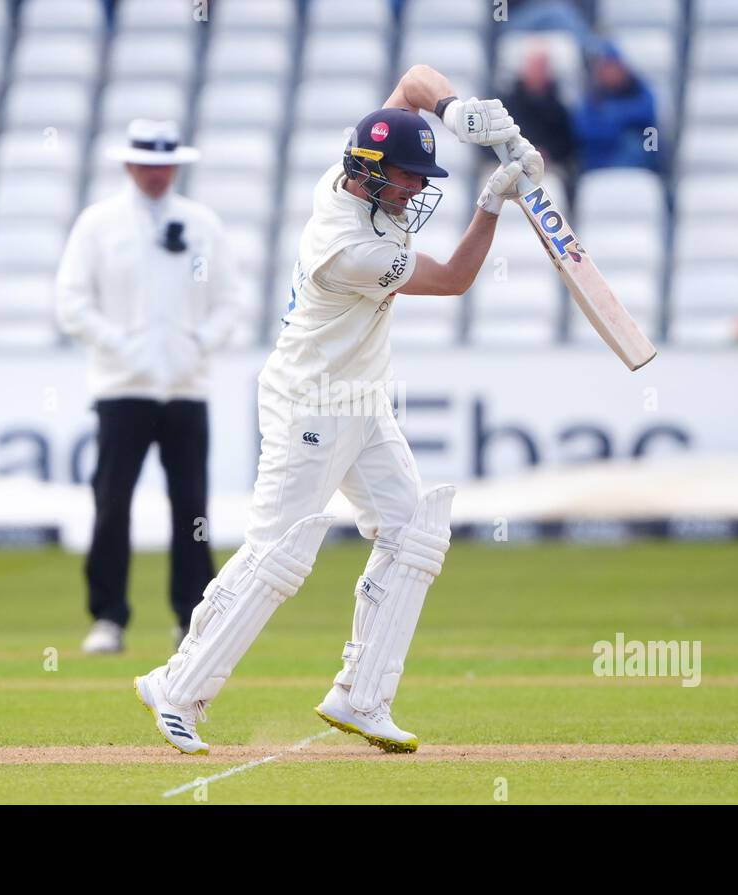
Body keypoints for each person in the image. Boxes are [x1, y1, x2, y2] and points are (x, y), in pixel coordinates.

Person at [132, 65, 543, 755]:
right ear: (373, 177)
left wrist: (459, 112)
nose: (417, 191)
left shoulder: (349, 171)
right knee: (279, 557)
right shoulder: (351, 248)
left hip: (362, 396)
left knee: (414, 531)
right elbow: (454, 280)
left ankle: (361, 696)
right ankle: (176, 688)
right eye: (410, 180)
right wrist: (494, 201)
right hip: (310, 403)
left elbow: (413, 83)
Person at [56, 119, 243, 655]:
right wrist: (121, 345)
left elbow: (231, 301)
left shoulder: (201, 223)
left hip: (187, 388)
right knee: (112, 502)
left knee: (192, 505)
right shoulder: (99, 224)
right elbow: (71, 302)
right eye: (149, 164)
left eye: (167, 164)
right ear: (129, 164)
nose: (159, 174)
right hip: (122, 388)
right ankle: (108, 617)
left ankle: (193, 617)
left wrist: (196, 344)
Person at [571, 44, 659, 174]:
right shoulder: (593, 95)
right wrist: (615, 127)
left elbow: (648, 111)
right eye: (606, 67)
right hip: (600, 159)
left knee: (643, 139)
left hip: (639, 160)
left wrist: (613, 114)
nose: (610, 72)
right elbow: (584, 129)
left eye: (613, 66)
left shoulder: (636, 88)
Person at [502, 47, 575, 175]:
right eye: (533, 67)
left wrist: (547, 153)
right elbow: (492, 142)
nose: (537, 72)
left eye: (541, 68)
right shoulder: (506, 104)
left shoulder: (558, 107)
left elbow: (567, 144)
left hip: (547, 167)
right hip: (510, 165)